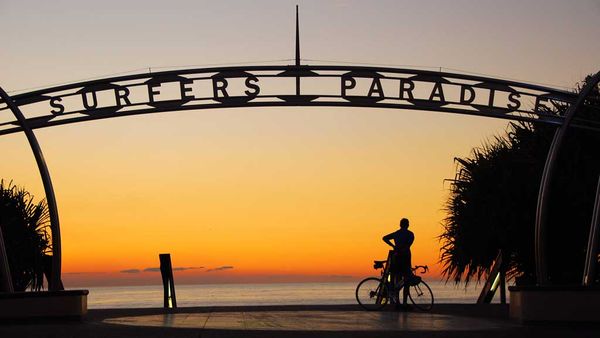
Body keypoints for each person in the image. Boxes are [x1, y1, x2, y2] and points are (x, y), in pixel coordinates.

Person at [382, 218, 414, 310]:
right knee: (406, 281)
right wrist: (402, 248)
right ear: (408, 225)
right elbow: (408, 245)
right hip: (406, 257)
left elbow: (384, 238)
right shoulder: (410, 234)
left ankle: (397, 303)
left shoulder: (396, 234)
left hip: (397, 257)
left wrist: (393, 246)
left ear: (400, 225)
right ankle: (404, 303)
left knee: (398, 280)